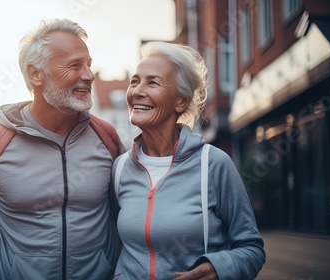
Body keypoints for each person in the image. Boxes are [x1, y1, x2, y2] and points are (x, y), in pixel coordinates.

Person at [0, 18, 124, 280]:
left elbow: (127, 217)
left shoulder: (106, 136)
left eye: (89, 65)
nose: (88, 75)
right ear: (35, 74)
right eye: (75, 65)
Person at [112, 42, 265, 280]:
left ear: (181, 101)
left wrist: (220, 267)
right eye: (134, 81)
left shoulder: (213, 165)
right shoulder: (120, 168)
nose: (137, 91)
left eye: (152, 82)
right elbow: (114, 246)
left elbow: (252, 248)